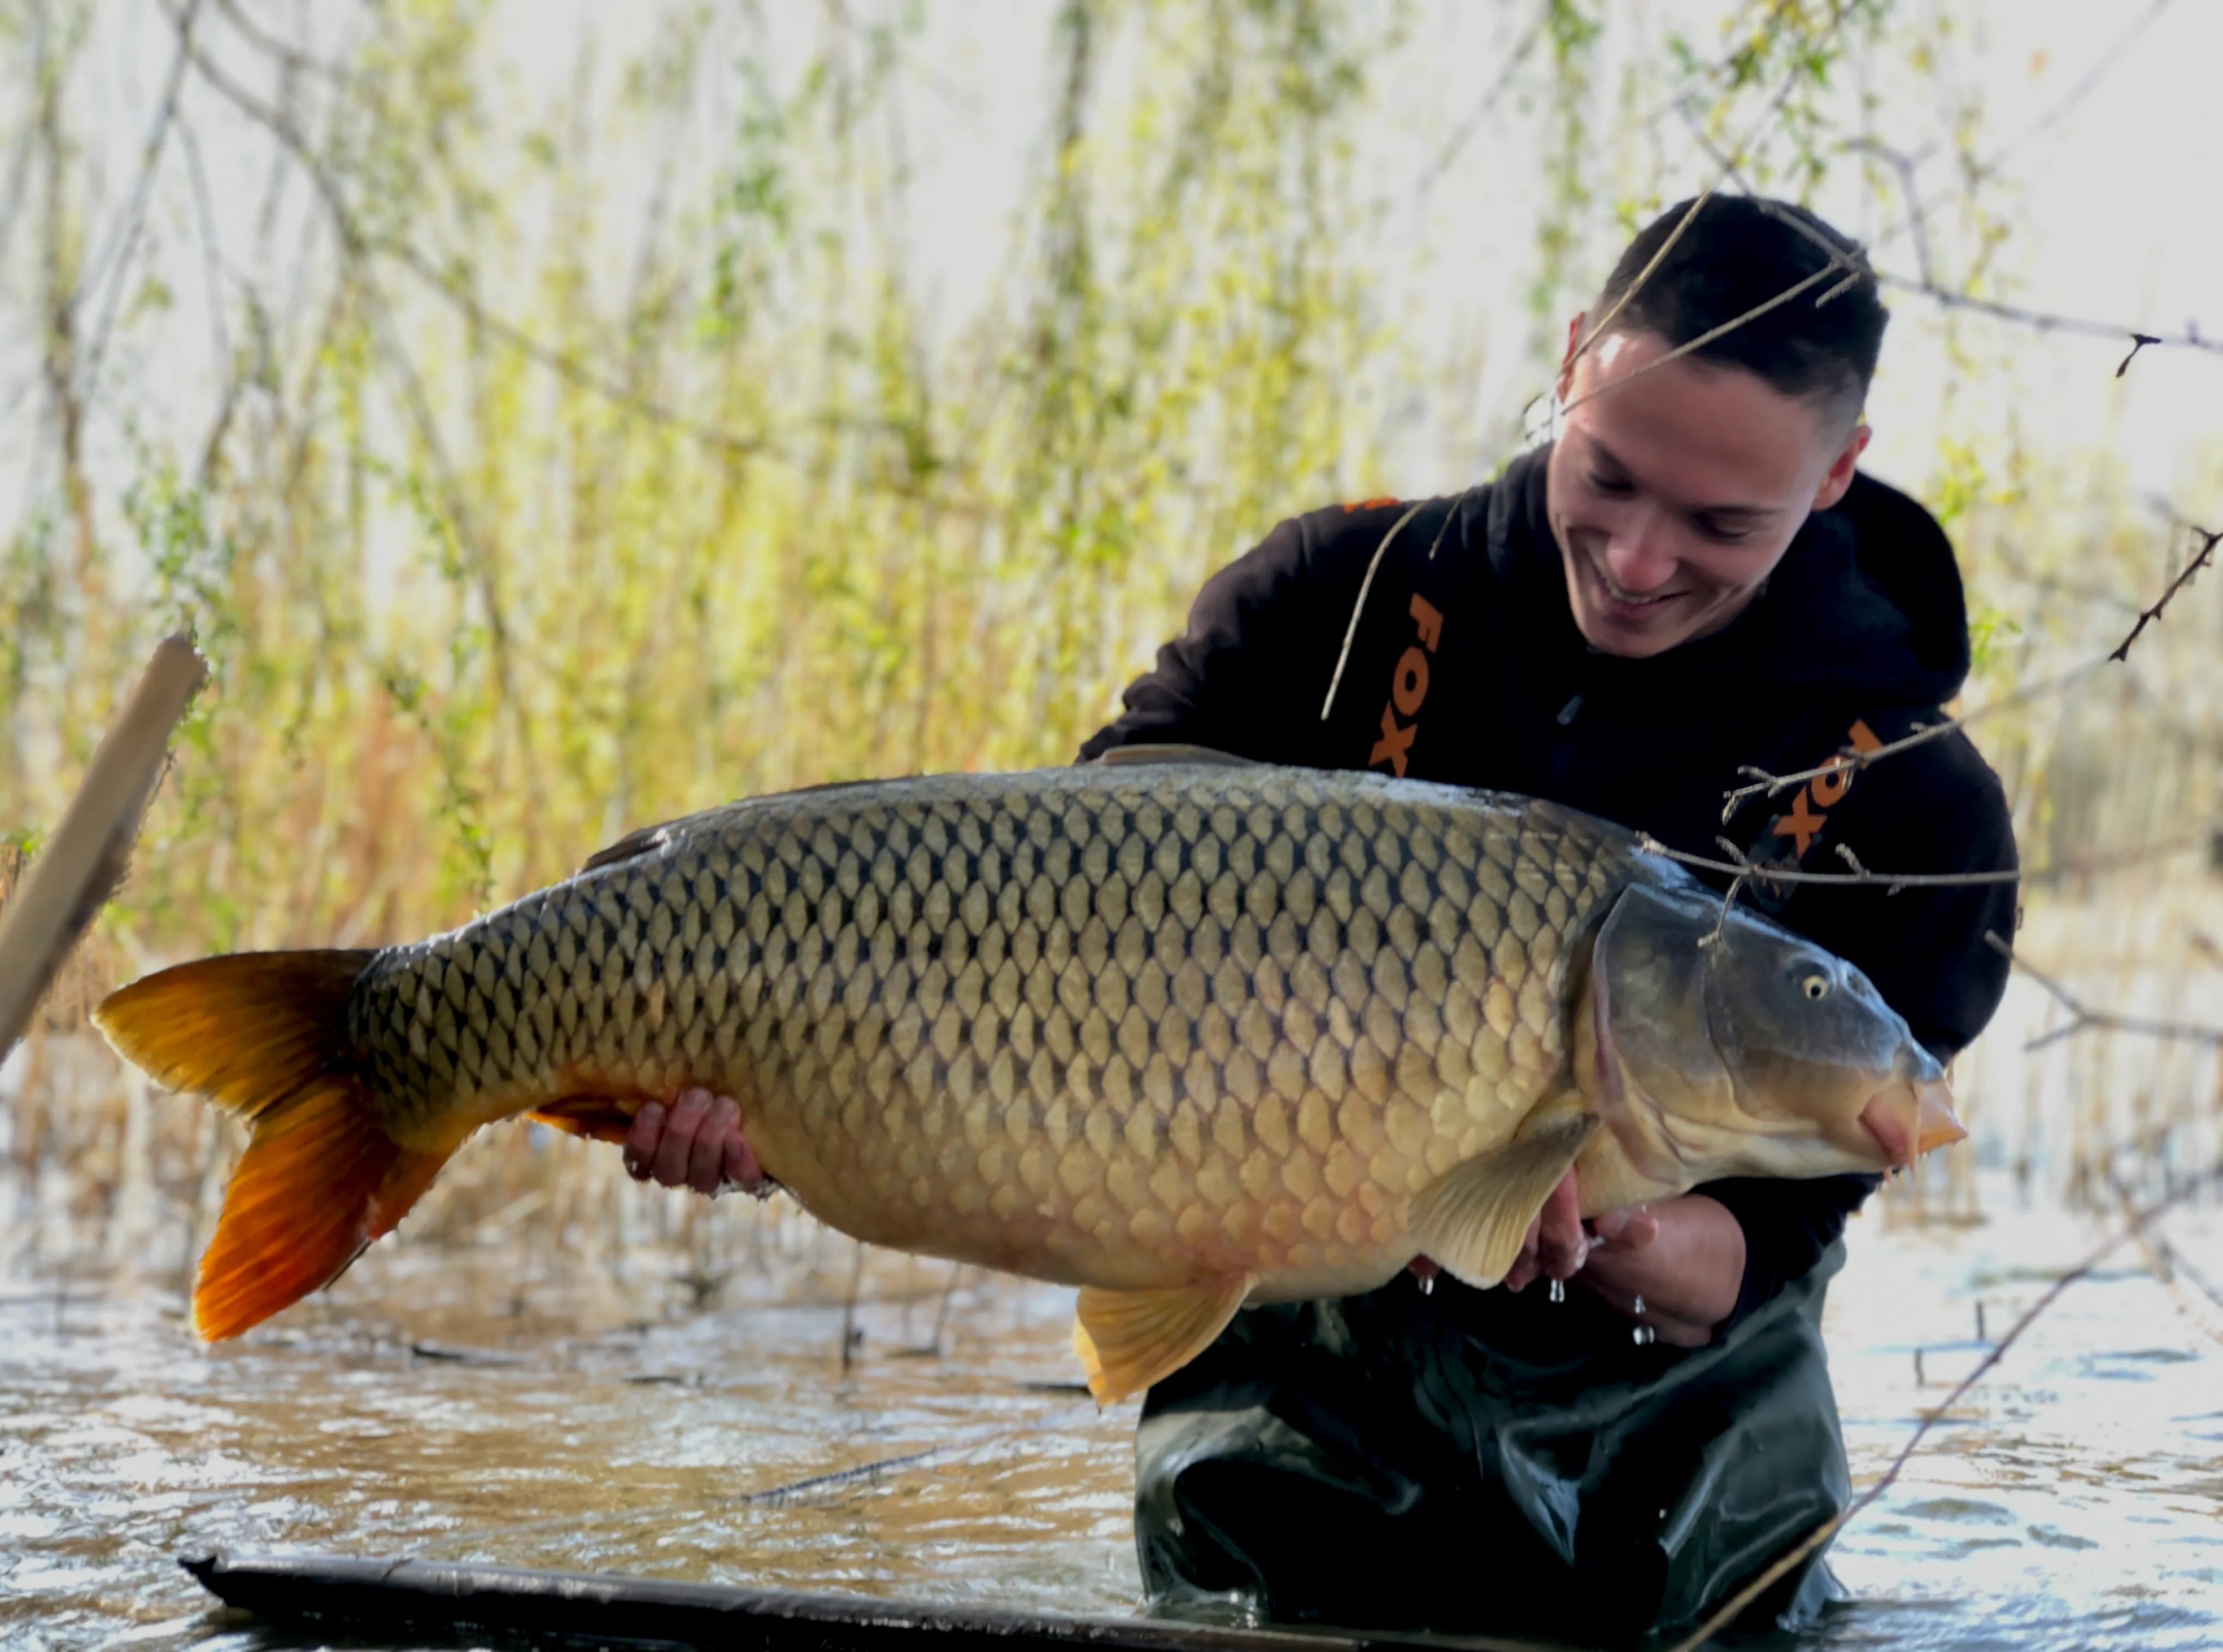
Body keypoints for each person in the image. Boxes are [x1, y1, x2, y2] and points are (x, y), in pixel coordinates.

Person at [621, 196, 2018, 1640]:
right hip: (1288, 1427)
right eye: (1608, 473)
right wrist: (799, 1097)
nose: (1642, 559)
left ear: (1841, 470)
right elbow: (1042, 936)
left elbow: (1787, 1223)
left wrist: (1625, 1244)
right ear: (1571, 361)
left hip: (1677, 1467)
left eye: (1723, 522)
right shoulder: (1338, 600)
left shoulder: (1918, 810)